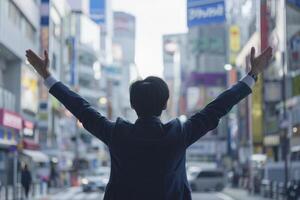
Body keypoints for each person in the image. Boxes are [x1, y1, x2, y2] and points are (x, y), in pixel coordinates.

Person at [25, 46, 272, 200]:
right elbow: (217, 107)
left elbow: (81, 108)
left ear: (132, 105)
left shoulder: (117, 134)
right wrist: (252, 75)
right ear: (165, 104)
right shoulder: (179, 134)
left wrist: (47, 76)